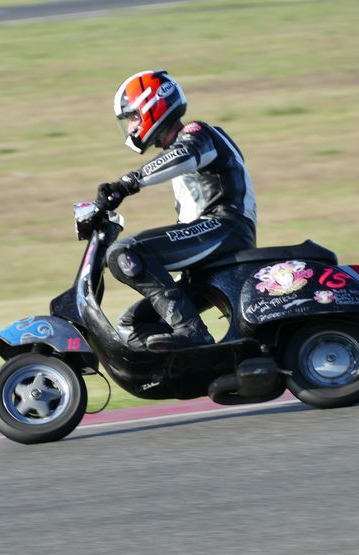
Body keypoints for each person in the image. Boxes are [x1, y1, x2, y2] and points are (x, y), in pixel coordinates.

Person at [96, 70, 258, 349]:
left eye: (133, 116)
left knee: (126, 252)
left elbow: (184, 154)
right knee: (133, 325)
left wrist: (128, 183)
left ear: (152, 108)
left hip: (225, 228)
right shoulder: (182, 148)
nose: (131, 126)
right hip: (211, 238)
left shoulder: (198, 133)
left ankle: (191, 331)